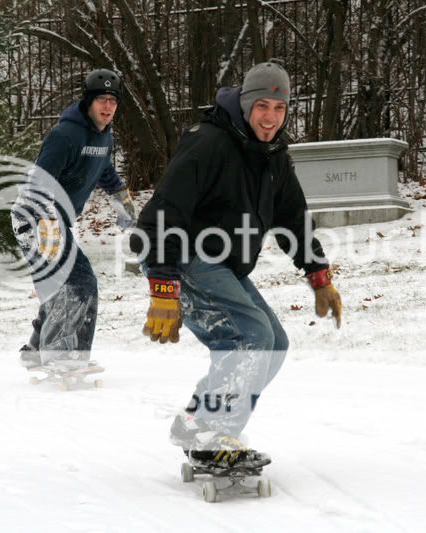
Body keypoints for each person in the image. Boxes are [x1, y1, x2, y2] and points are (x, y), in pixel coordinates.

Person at [130, 60, 343, 467]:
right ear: (246, 105)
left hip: (220, 260)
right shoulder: (209, 142)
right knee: (251, 337)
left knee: (273, 344)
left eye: (279, 109)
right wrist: (162, 288)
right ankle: (212, 434)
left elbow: (292, 216)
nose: (271, 118)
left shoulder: (273, 153)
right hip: (181, 252)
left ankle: (200, 420)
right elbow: (162, 213)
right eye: (263, 106)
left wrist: (318, 275)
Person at [11, 68, 136, 369]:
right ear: (88, 102)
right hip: (36, 217)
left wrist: (127, 213)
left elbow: (107, 175)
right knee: (79, 282)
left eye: (112, 101)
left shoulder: (104, 137)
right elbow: (38, 183)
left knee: (59, 285)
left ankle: (36, 350)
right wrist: (47, 229)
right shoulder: (65, 135)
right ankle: (64, 356)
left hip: (55, 221)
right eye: (101, 100)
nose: (107, 107)